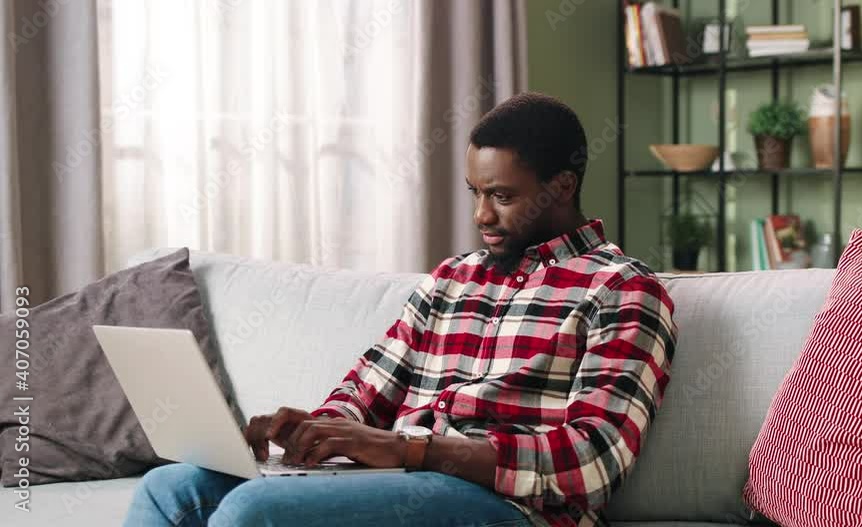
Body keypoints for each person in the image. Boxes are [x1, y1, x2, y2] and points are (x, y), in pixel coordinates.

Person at [124, 92, 677, 527]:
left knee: (253, 513)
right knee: (171, 489)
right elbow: (365, 393)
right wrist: (316, 431)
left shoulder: (621, 290)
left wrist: (409, 448)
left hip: (509, 507)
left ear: (563, 186)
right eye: (475, 192)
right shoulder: (452, 280)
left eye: (502, 196)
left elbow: (593, 459)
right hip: (398, 482)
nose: (481, 215)